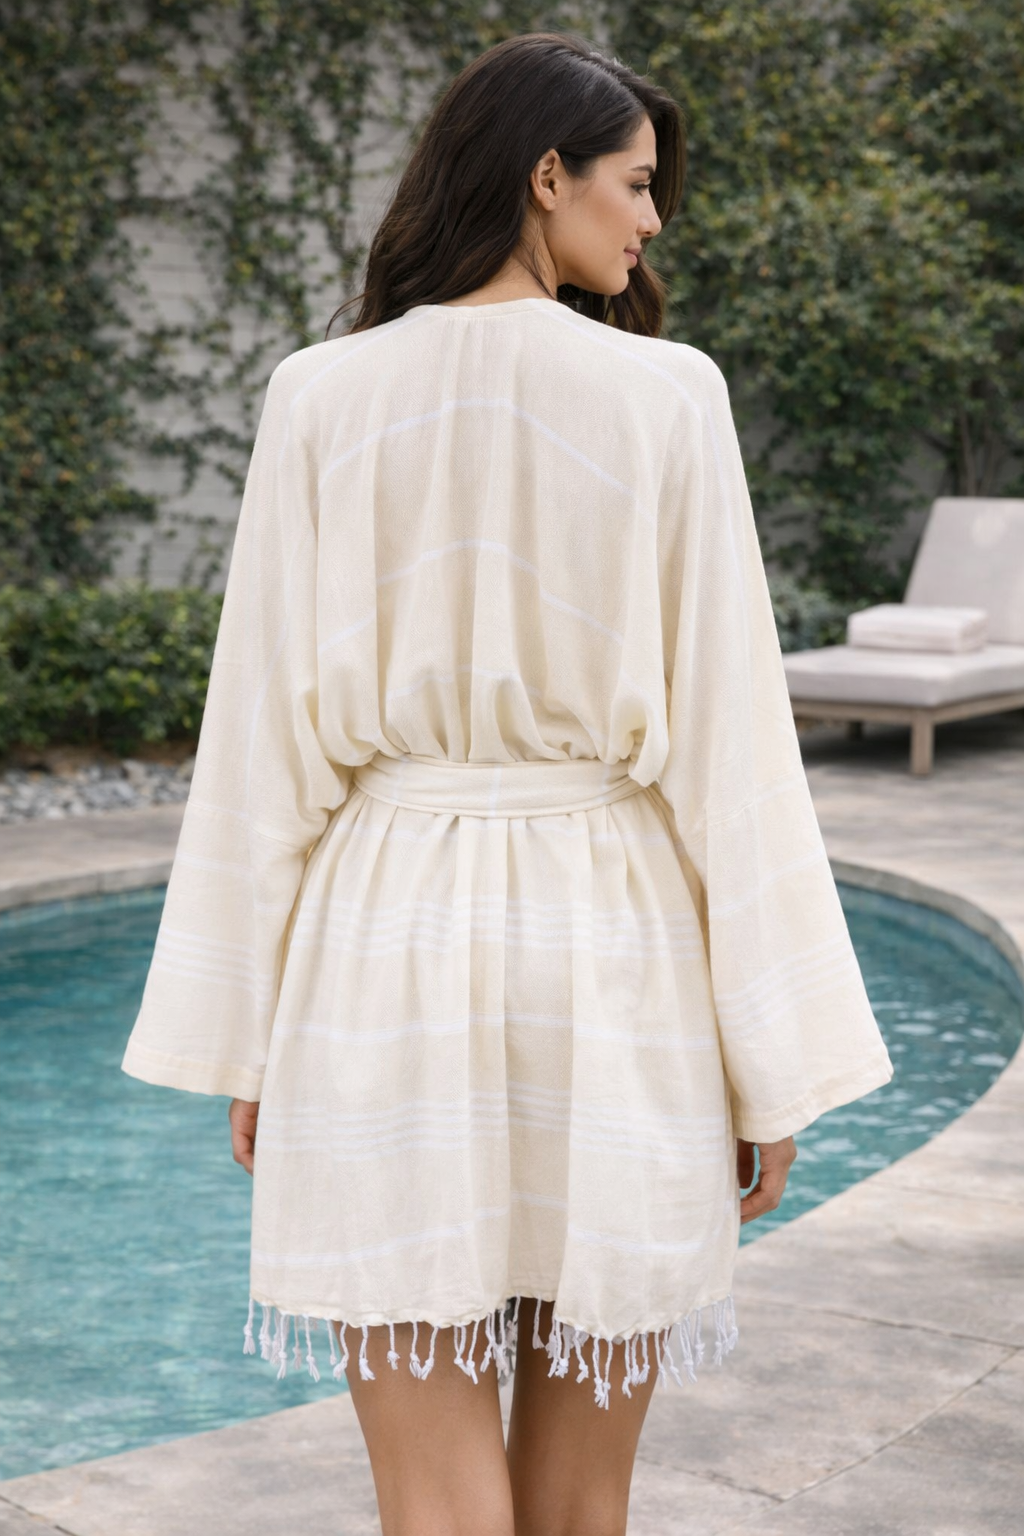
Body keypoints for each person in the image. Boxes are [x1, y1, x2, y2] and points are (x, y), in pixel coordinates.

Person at [120, 30, 894, 1536]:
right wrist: (766, 1058)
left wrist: (251, 1038)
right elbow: (734, 752)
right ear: (546, 177)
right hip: (612, 954)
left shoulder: (318, 395)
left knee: (436, 1504)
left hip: (381, 949)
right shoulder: (672, 398)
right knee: (578, 1509)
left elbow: (262, 750)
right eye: (636, 182)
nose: (653, 220)